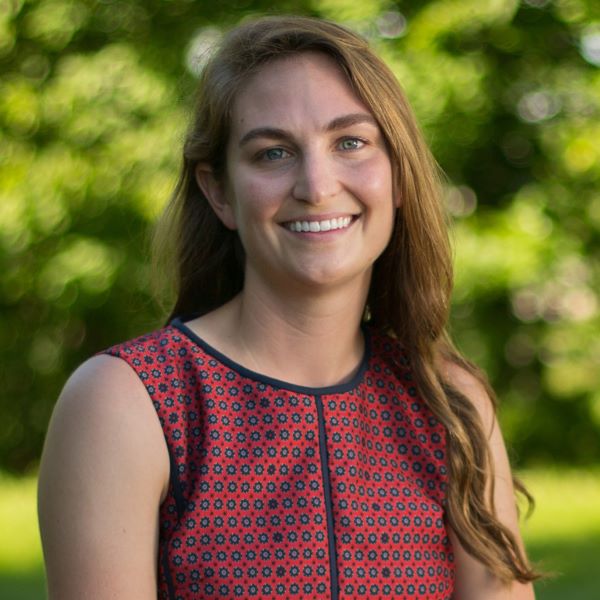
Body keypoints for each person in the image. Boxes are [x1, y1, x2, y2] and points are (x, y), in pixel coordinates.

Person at [38, 15, 538, 600]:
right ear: (219, 191)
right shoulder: (125, 403)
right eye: (273, 153)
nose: (317, 184)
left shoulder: (450, 404)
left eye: (350, 142)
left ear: (398, 175)